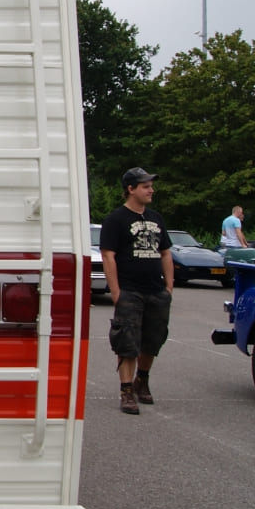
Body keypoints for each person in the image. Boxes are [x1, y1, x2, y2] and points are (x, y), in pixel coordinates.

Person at [100, 167, 174, 416]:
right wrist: (116, 292)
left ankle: (142, 380)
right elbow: (108, 256)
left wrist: (169, 287)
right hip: (130, 291)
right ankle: (126, 391)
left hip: (156, 291)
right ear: (130, 189)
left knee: (152, 341)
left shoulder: (156, 218)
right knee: (127, 343)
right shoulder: (116, 219)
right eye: (145, 186)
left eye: (151, 185)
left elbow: (165, 252)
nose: (151, 190)